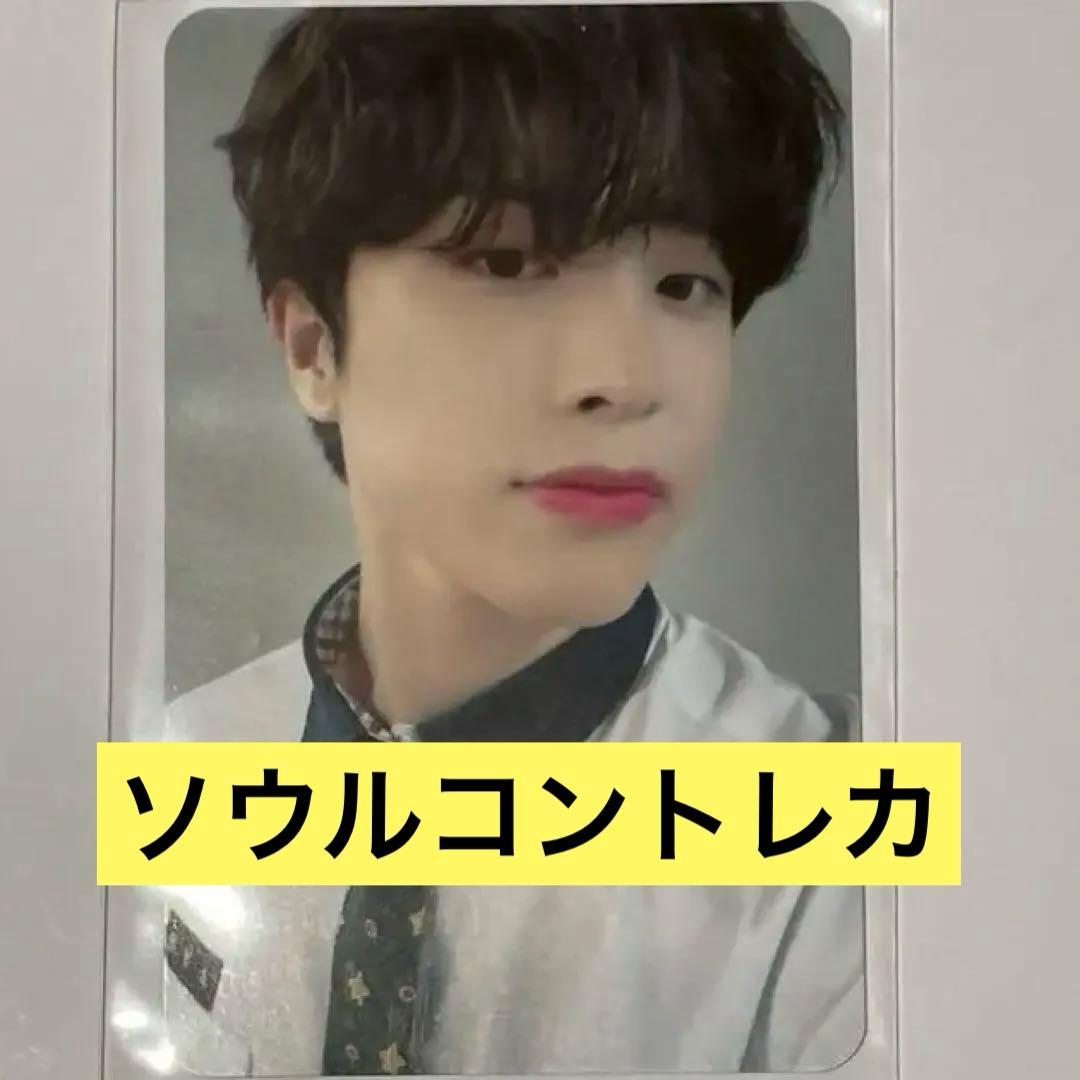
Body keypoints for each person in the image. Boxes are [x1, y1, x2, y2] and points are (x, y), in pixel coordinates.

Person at [154, 5, 864, 1075]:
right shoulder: (167, 763)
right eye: (506, 262)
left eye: (684, 285)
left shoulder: (832, 845)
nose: (623, 379)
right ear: (313, 348)